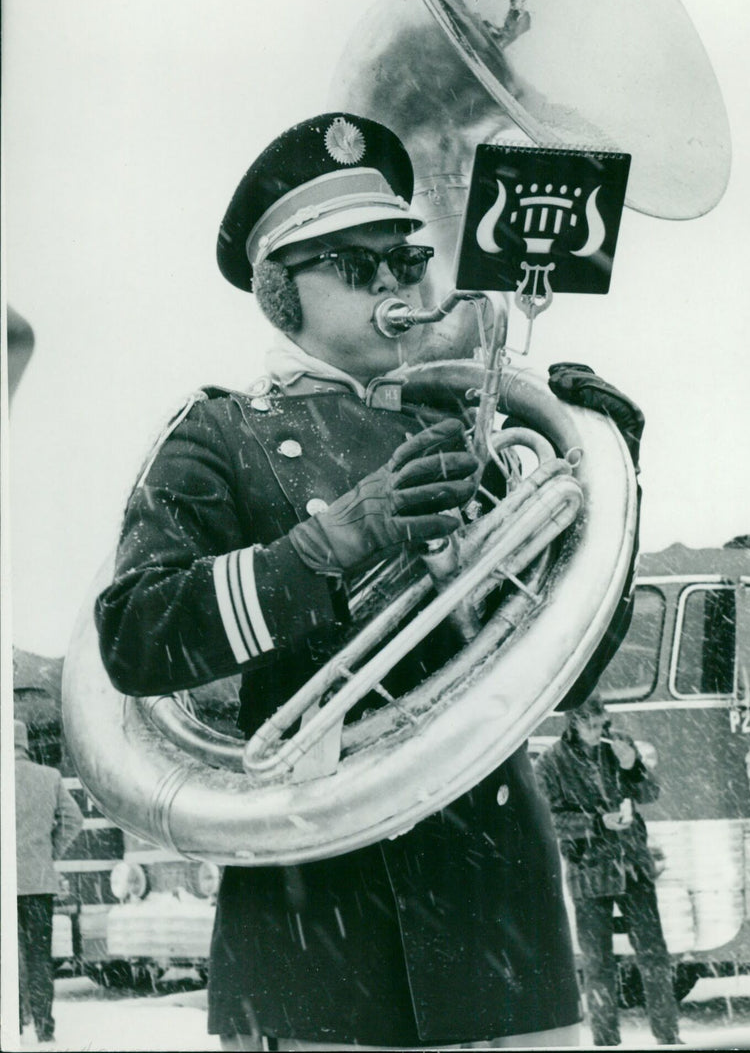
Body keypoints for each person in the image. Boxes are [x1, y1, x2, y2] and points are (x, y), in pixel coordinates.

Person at [95, 112, 643, 1051]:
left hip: (498, 904)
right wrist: (334, 540)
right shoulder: (221, 433)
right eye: (357, 265)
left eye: (407, 256)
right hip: (319, 921)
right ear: (283, 293)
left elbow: (566, 672)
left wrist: (617, 486)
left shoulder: (479, 427)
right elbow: (135, 637)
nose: (397, 281)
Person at [534, 693, 682, 1047]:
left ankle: (669, 1036)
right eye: (592, 724)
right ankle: (605, 1041)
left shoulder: (618, 747)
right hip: (589, 874)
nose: (600, 730)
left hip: (633, 867)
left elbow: (650, 793)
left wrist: (632, 766)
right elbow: (548, 821)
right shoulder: (551, 763)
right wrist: (597, 823)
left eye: (604, 724)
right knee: (598, 965)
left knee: (655, 956)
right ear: (574, 723)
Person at [15, 719, 84, 1045]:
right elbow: (74, 819)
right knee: (39, 956)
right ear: (26, 743)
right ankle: (45, 1028)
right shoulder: (49, 777)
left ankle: (11, 1023)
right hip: (39, 882)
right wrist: (48, 850)